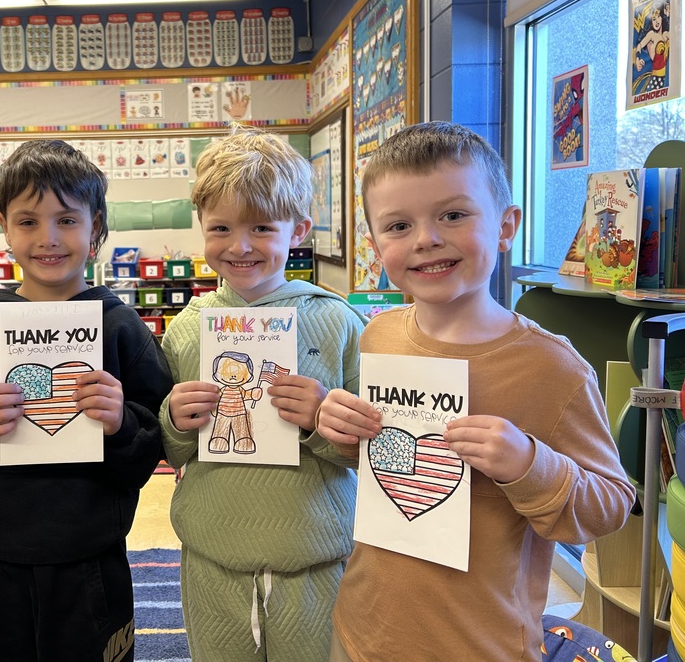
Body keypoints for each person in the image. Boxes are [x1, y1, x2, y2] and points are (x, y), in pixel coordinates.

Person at [316, 121, 636, 661]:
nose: (425, 239)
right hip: (362, 629)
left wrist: (528, 464)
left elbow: (610, 506)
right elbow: (387, 464)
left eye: (453, 215)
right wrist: (345, 435)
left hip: (481, 644)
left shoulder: (553, 369)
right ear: (375, 244)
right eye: (398, 225)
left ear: (506, 225)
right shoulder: (378, 335)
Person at [0, 138, 172, 662]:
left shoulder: (122, 327)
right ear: (4, 226)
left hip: (93, 555)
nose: (48, 238)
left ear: (96, 227)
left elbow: (157, 437)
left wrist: (122, 421)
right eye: (29, 221)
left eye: (67, 220)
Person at [159, 125, 367, 661]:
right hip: (212, 550)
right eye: (221, 227)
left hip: (315, 551)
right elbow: (174, 452)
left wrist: (324, 419)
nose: (240, 245)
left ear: (298, 230)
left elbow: (371, 452)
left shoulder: (336, 321)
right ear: (201, 227)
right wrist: (175, 420)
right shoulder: (187, 328)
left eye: (262, 227)